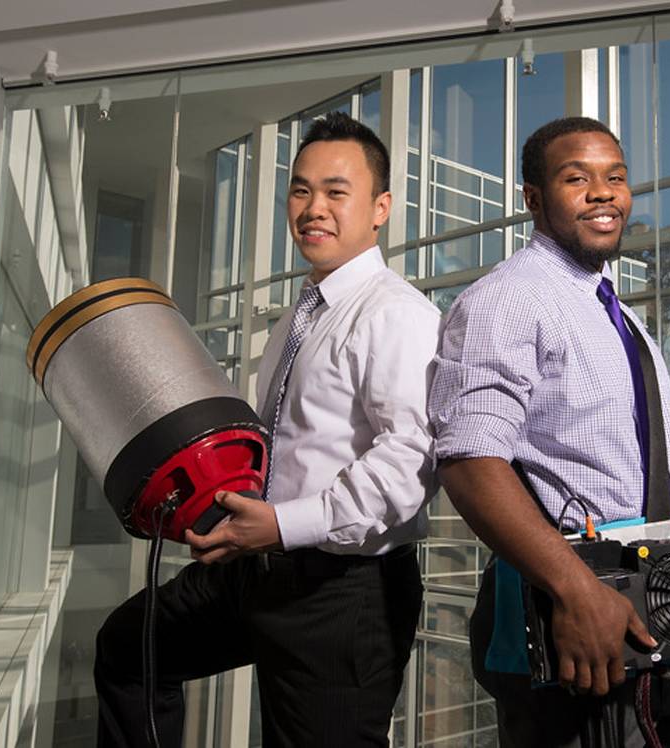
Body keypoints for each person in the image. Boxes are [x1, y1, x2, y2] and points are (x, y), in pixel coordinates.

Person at [94, 112, 441, 747]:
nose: (314, 208)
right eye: (301, 190)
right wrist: (240, 523)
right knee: (128, 648)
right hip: (258, 565)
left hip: (342, 594)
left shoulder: (397, 315)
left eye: (336, 191)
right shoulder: (298, 316)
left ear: (381, 208)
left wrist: (281, 525)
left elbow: (410, 463)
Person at [430, 116, 670, 747]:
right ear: (534, 198)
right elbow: (469, 463)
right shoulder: (507, 300)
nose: (603, 192)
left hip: (654, 611)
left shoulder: (617, 315)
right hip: (575, 613)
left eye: (616, 177)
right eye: (576, 178)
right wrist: (577, 590)